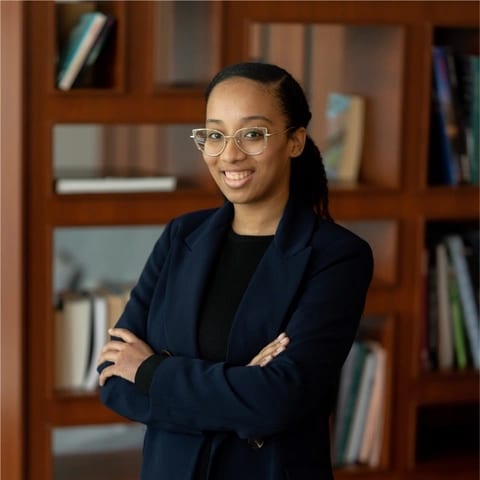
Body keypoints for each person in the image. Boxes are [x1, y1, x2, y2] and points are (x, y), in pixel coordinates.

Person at [97, 62, 373, 480]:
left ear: (295, 140)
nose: (230, 154)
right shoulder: (181, 236)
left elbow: (278, 401)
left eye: (253, 134)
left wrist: (153, 370)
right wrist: (239, 386)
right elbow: (114, 381)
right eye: (214, 134)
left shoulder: (337, 257)